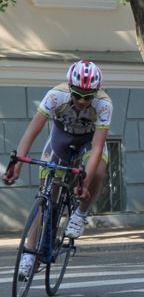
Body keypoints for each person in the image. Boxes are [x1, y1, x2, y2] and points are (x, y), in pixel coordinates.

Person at [2, 60, 111, 279]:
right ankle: (29, 255)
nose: (82, 101)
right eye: (77, 94)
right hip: (60, 139)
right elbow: (32, 132)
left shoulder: (104, 104)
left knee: (98, 170)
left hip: (89, 141)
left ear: (95, 93)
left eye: (87, 96)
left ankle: (80, 214)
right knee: (46, 195)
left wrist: (85, 183)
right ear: (69, 88)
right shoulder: (55, 96)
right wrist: (18, 164)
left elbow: (98, 147)